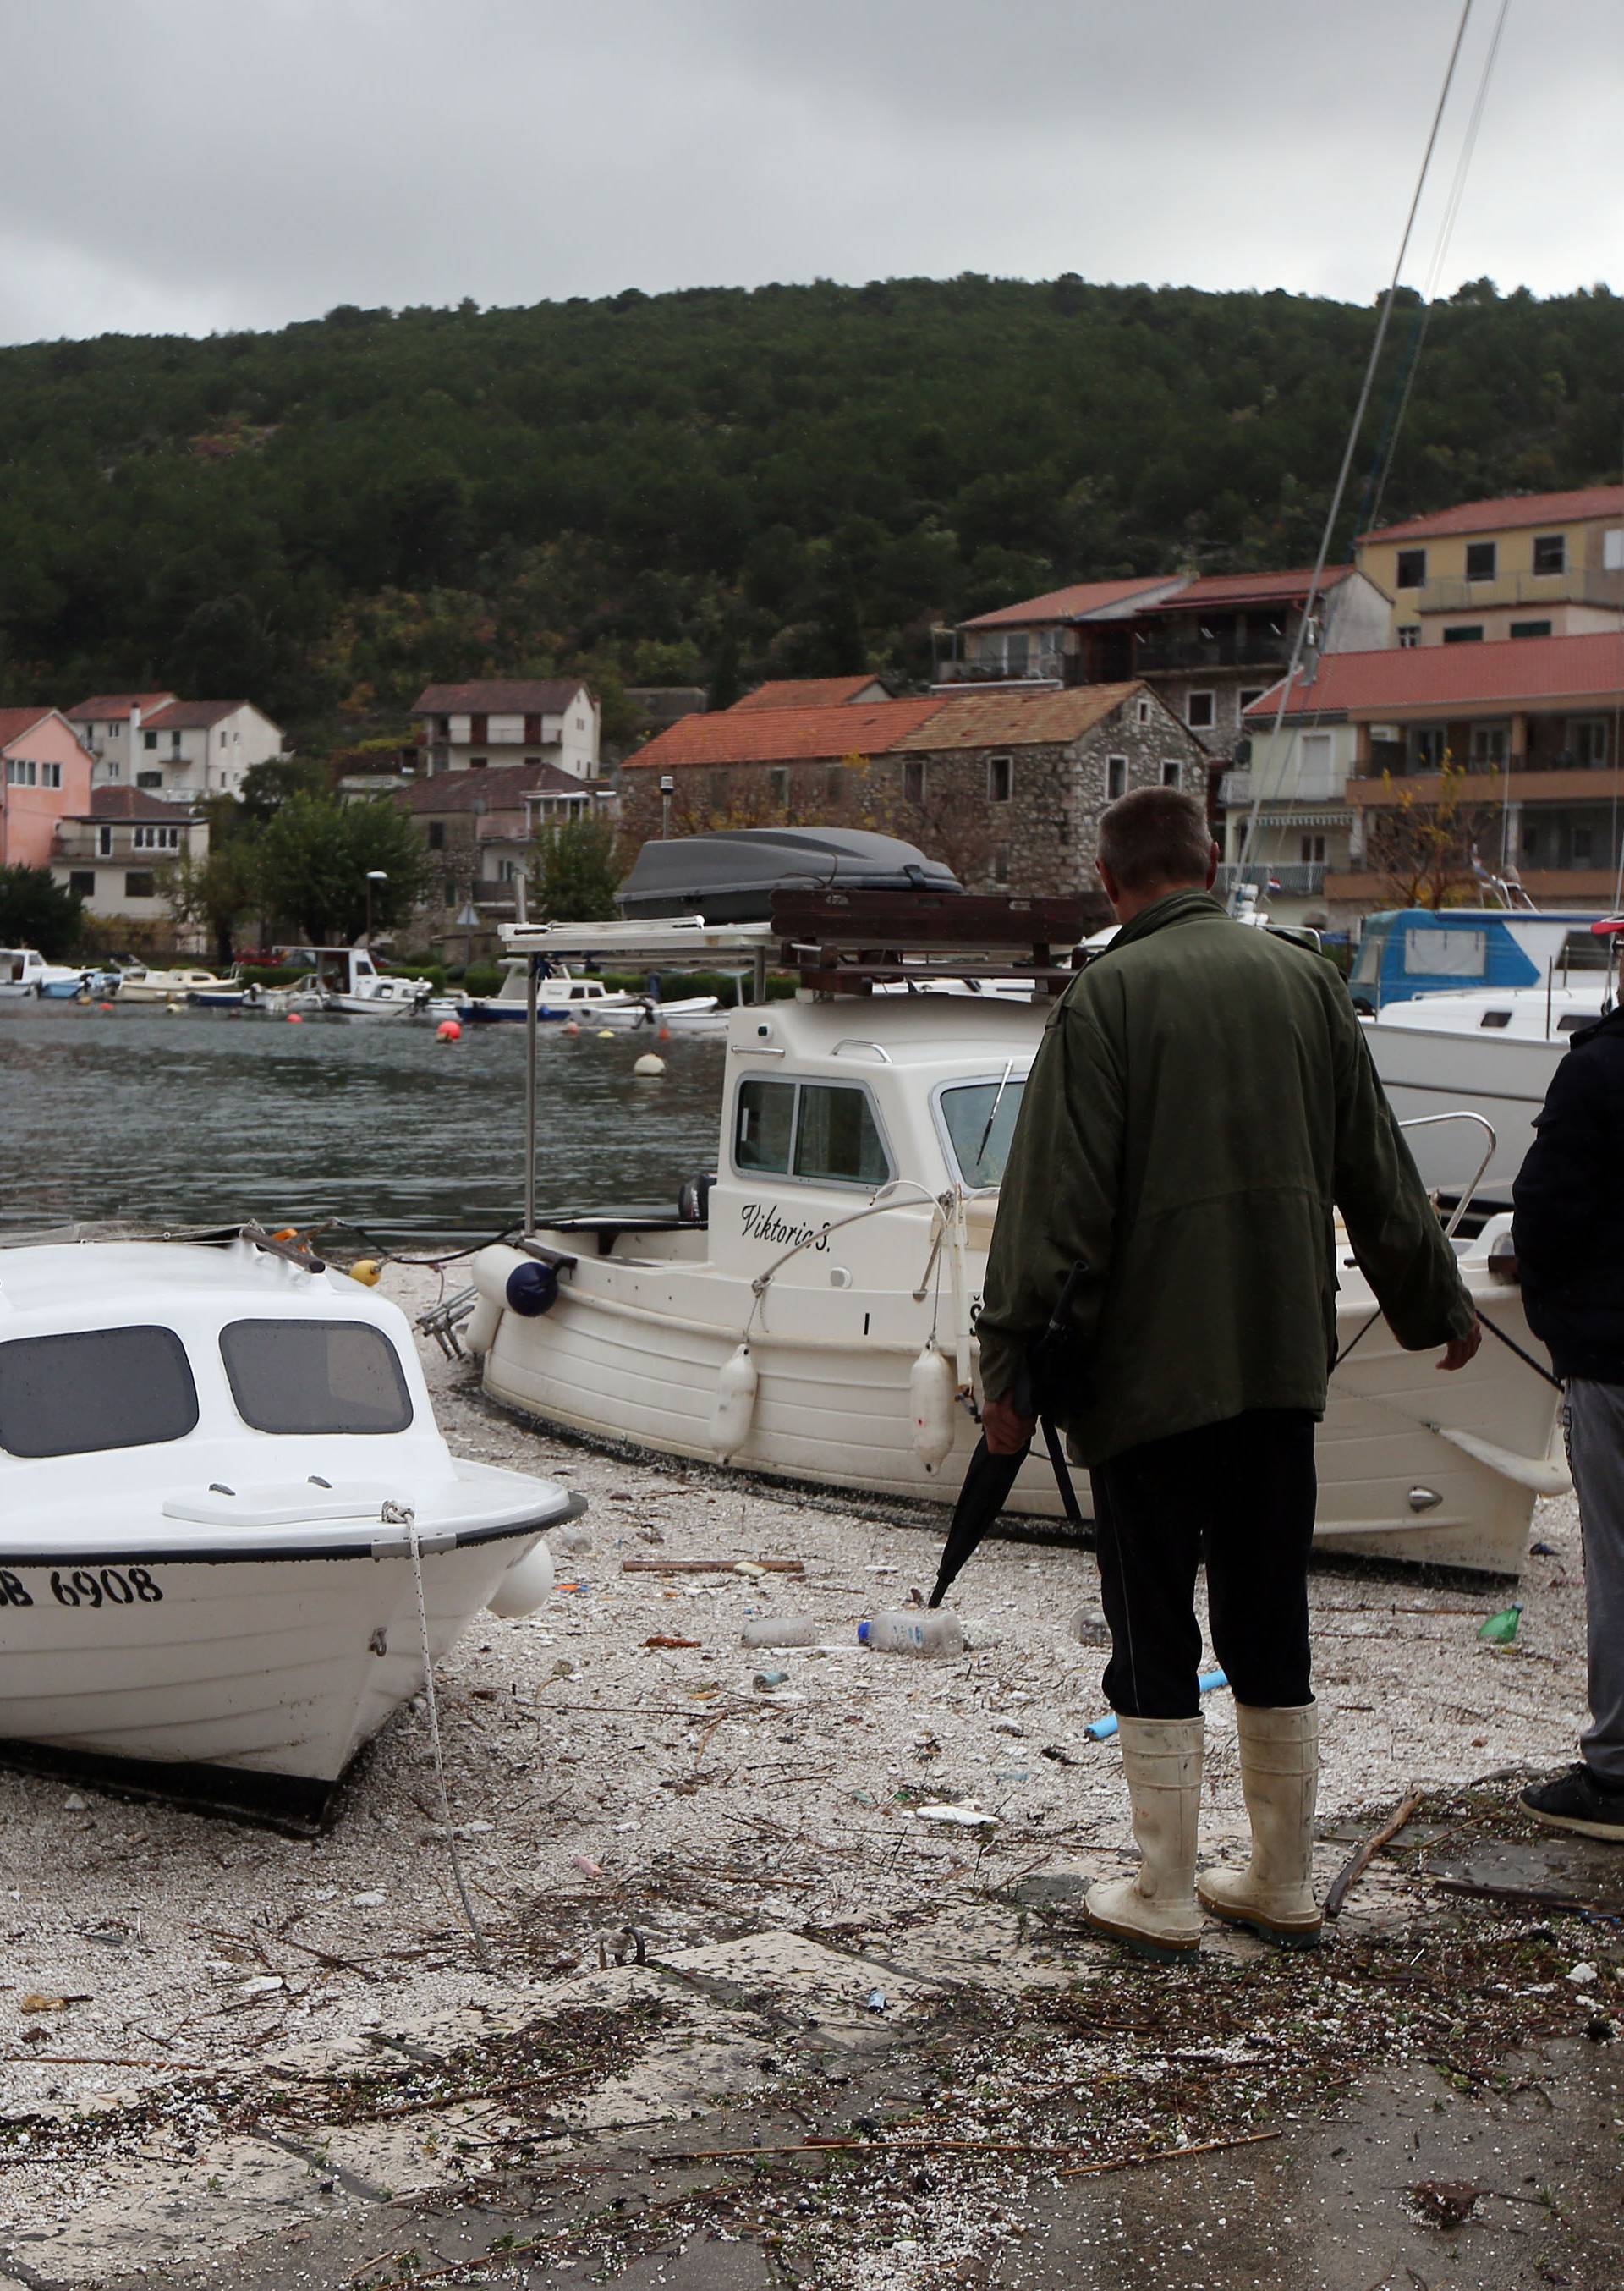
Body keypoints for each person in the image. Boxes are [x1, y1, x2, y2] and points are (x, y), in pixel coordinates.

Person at [976, 788, 1480, 1960]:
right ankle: (1285, 1880)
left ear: (1110, 885)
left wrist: (1009, 1374)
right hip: (1276, 1367)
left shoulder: (1104, 1000)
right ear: (1210, 864)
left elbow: (1050, 1216)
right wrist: (1436, 1301)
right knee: (1269, 1608)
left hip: (1147, 1380)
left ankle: (1162, 1892)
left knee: (1154, 1618)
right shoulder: (1306, 980)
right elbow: (1379, 1166)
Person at [1512, 997, 1624, 1843]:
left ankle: (1616, 1771)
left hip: (1616, 1355)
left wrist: (1554, 1314)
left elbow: (1545, 1211)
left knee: (1617, 1563)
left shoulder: (1598, 1069)